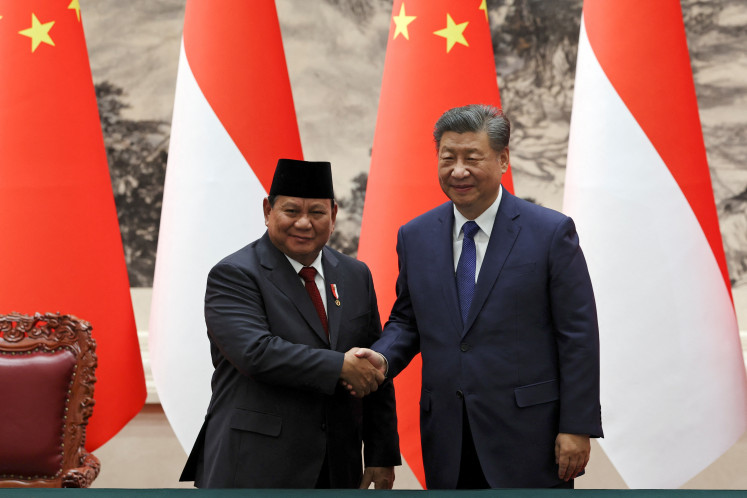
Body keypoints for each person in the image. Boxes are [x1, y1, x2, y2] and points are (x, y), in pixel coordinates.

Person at [354, 104, 602, 489]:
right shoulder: (415, 236)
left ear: (503, 159)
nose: (458, 171)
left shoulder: (550, 233)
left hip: (529, 436)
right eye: (447, 158)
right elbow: (408, 320)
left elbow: (578, 335)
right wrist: (382, 358)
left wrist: (577, 426)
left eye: (472, 158)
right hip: (448, 435)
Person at [180, 158, 400, 489]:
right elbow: (256, 352)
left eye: (316, 212)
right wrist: (340, 365)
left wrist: (382, 453)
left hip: (338, 467)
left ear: (334, 215)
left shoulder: (356, 276)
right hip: (256, 466)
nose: (304, 223)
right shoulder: (235, 274)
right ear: (268, 210)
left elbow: (372, 365)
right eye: (292, 211)